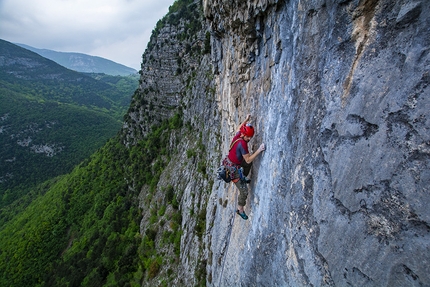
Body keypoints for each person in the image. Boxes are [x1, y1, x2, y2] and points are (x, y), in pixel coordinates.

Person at [226, 114, 265, 220]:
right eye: (249, 137)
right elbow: (248, 159)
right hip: (232, 171)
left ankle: (243, 176)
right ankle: (240, 210)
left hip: (231, 163)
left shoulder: (239, 135)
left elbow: (239, 127)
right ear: (245, 135)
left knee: (248, 164)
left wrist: (246, 119)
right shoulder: (242, 144)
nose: (249, 139)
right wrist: (259, 150)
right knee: (244, 191)